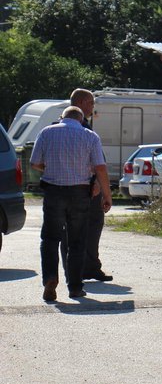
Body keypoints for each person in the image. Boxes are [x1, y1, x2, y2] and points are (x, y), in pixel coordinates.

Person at [31, 106, 113, 301]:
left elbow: (34, 163)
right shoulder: (90, 136)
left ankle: (50, 278)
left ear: (62, 117)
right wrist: (107, 195)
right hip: (80, 192)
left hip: (53, 190)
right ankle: (75, 287)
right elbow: (100, 167)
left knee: (50, 239)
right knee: (76, 242)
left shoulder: (46, 132)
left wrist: (49, 168)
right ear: (81, 119)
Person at [61, 89, 113, 283]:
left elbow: (98, 160)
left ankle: (91, 267)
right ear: (82, 102)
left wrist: (99, 183)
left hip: (91, 186)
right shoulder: (66, 126)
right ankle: (73, 272)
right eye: (91, 103)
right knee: (71, 230)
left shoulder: (86, 125)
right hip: (75, 187)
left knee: (94, 225)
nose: (93, 107)